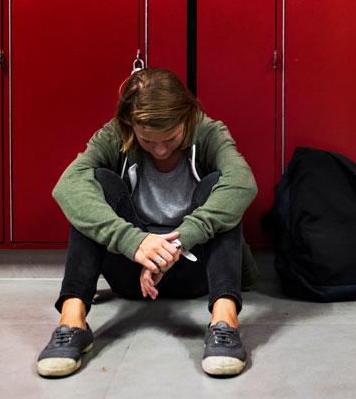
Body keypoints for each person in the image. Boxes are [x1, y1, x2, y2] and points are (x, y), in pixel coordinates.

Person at [36, 68, 258, 378]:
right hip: (132, 272)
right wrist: (136, 242)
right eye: (148, 140)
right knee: (95, 183)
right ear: (131, 126)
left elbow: (243, 184)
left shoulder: (209, 132)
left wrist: (179, 242)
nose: (161, 149)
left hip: (195, 271)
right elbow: (68, 185)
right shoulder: (116, 133)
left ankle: (224, 322)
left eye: (170, 138)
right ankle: (72, 322)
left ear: (188, 116)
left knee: (219, 186)